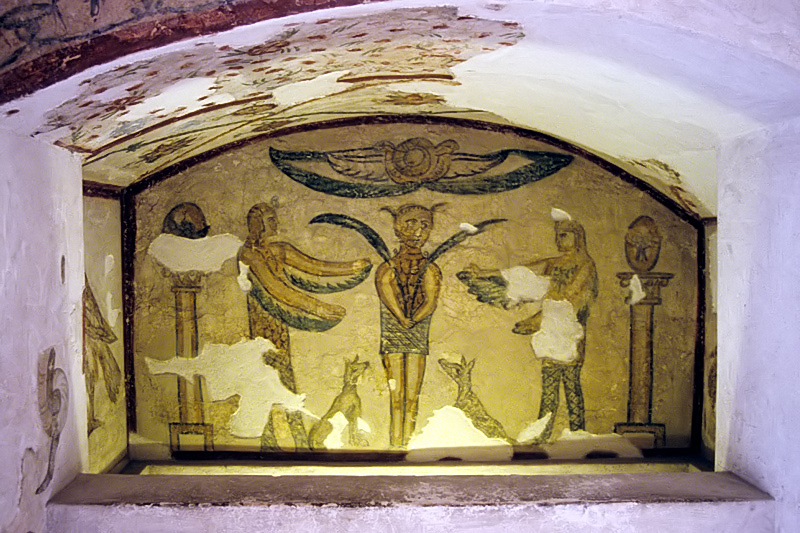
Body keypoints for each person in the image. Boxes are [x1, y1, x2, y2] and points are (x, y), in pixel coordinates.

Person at [238, 202, 370, 451]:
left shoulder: (279, 249)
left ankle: (291, 435)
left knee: (283, 378)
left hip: (280, 326)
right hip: (263, 328)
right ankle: (275, 438)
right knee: (270, 379)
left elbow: (316, 267)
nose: (276, 223)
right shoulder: (249, 255)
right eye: (270, 219)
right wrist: (319, 308)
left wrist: (351, 268)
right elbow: (277, 289)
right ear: (258, 225)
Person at [513, 212, 598, 440]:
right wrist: (485, 274)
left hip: (570, 335)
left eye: (564, 235)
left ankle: (578, 434)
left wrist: (536, 320)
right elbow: (521, 273)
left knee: (571, 387)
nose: (558, 240)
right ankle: (542, 435)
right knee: (549, 390)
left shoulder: (585, 265)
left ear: (578, 237)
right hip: (551, 334)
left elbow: (568, 298)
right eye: (557, 235)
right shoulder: (554, 264)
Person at [374, 204, 443, 448]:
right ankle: (395, 445)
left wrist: (412, 319)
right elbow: (386, 293)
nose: (417, 232)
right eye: (410, 224)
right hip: (394, 332)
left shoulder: (430, 268)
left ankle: (407, 446)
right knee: (396, 396)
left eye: (424, 226)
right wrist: (402, 318)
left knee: (412, 396)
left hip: (416, 332)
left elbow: (431, 301)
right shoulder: (387, 267)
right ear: (397, 228)